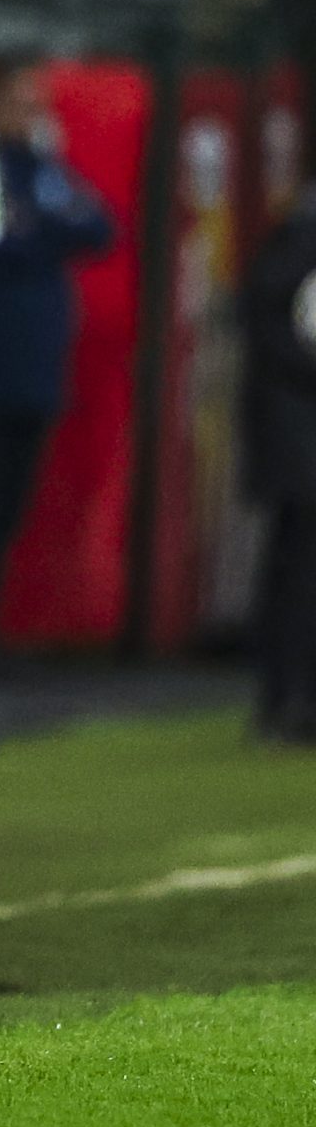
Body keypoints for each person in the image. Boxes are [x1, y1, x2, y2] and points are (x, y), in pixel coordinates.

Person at [0, 54, 113, 676]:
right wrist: (37, 234)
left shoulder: (41, 166)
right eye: (22, 96)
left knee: (8, 509)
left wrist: (32, 231)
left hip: (35, 371)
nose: (33, 110)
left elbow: (98, 227)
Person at [242, 182, 316, 739]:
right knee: (298, 567)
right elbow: (274, 328)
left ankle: (289, 697)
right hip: (296, 433)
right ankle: (288, 698)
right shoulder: (300, 235)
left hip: (295, 430)